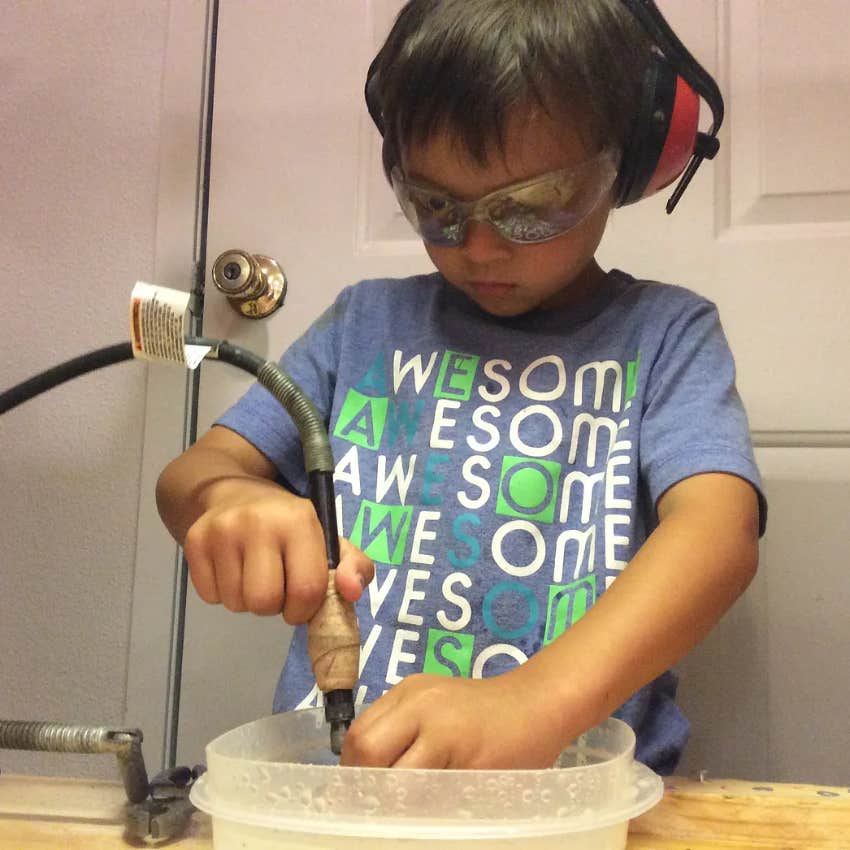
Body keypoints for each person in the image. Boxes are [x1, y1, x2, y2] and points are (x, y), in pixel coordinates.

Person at [156, 0, 765, 774]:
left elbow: (718, 536)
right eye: (436, 206)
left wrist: (535, 702)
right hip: (345, 791)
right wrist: (229, 501)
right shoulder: (362, 327)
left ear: (629, 162)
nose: (478, 248)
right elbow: (190, 477)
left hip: (572, 802)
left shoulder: (667, 337)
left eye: (533, 207)